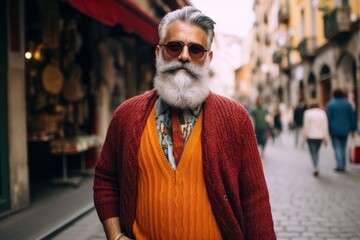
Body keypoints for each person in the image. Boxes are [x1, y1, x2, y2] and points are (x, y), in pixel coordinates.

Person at [93, 6, 276, 240]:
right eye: (174, 46)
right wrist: (116, 236)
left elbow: (255, 201)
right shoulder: (126, 115)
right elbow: (106, 180)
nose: (184, 56)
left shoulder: (235, 118)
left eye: (196, 49)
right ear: (159, 52)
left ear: (208, 58)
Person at [326, 89, 356, 172]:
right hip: (345, 129)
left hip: (334, 130)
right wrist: (353, 129)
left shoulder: (330, 104)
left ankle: (340, 165)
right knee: (343, 147)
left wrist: (328, 130)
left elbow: (328, 118)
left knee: (337, 148)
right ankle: (343, 164)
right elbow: (352, 117)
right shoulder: (348, 104)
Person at [302, 103, 330, 176]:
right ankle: (316, 165)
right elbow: (325, 126)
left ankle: (315, 166)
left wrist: (304, 137)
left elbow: (306, 126)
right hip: (320, 136)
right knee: (316, 151)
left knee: (313, 152)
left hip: (310, 136)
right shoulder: (323, 113)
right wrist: (326, 138)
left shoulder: (307, 113)